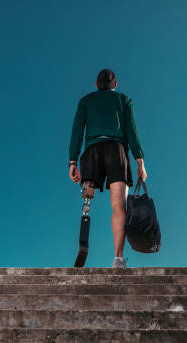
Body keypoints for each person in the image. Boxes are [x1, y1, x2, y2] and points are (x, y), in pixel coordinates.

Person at [68, 68, 147, 268]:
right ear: (116, 85)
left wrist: (72, 162)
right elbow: (132, 131)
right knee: (118, 204)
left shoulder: (86, 101)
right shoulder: (124, 100)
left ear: (96, 85)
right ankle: (118, 259)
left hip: (92, 152)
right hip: (116, 151)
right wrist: (140, 162)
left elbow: (77, 130)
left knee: (87, 199)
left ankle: (82, 242)